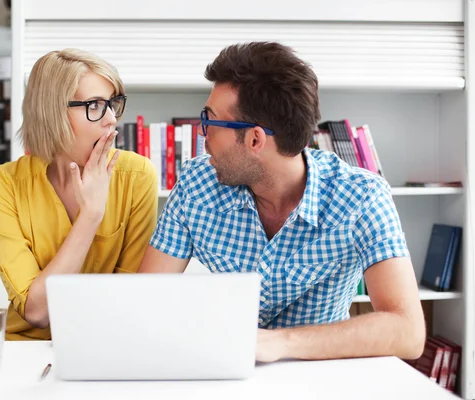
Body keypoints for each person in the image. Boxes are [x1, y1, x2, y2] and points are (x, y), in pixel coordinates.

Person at [139, 42, 425, 362]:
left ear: (255, 140)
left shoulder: (362, 198)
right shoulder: (195, 185)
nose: (203, 136)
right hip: (218, 368)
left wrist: (280, 343)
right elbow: (146, 300)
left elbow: (408, 331)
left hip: (318, 378)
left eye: (209, 121)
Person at [0, 49, 158, 340]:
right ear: (52, 113)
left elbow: (132, 299)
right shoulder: (3, 185)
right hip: (24, 351)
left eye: (113, 104)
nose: (111, 119)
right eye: (95, 105)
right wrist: (90, 216)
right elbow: (37, 312)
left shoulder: (136, 177)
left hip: (108, 344)